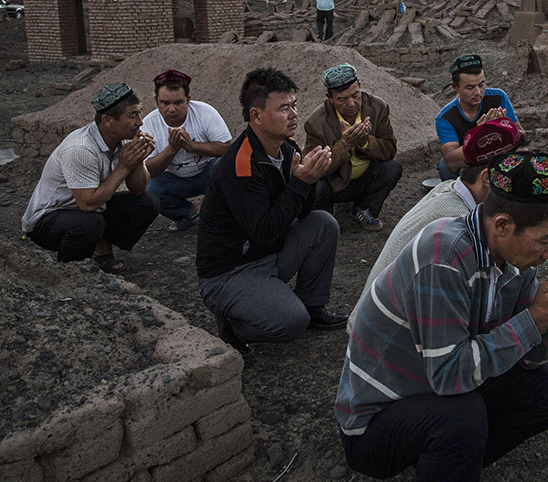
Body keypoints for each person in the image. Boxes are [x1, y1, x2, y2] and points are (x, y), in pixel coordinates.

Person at [336, 151, 548, 481]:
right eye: (546, 240)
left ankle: (446, 460)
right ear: (503, 225)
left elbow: (527, 359)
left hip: (435, 388)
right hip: (375, 423)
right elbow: (449, 374)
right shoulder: (443, 258)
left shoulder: (515, 260)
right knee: (463, 418)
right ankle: (445, 452)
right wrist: (536, 319)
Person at [196, 68, 348, 354]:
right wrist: (301, 183)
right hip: (231, 271)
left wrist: (309, 181)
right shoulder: (240, 165)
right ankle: (233, 324)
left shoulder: (287, 146)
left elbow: (302, 214)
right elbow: (263, 230)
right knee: (291, 323)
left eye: (293, 105)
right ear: (256, 116)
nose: (293, 114)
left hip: (265, 253)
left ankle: (312, 305)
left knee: (323, 223)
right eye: (283, 108)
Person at [346, 118, 522, 333]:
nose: (523, 182)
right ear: (487, 178)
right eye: (517, 173)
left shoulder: (452, 190)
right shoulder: (457, 222)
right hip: (383, 339)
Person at [21, 83, 159, 273]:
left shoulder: (126, 137)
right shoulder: (80, 149)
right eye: (132, 115)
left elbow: (138, 189)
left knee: (147, 203)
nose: (140, 122)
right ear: (108, 120)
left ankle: (102, 251)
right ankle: (72, 270)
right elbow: (87, 204)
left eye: (139, 113)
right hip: (47, 219)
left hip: (90, 209)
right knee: (91, 222)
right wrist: (123, 167)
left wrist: (137, 160)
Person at [302, 63, 401, 232]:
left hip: (365, 178)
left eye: (356, 95)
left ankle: (365, 209)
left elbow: (390, 149)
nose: (351, 103)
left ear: (360, 87)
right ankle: (325, 221)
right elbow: (313, 167)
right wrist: (345, 145)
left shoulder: (378, 108)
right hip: (334, 183)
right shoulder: (316, 122)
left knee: (393, 168)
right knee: (316, 187)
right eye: (342, 99)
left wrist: (366, 142)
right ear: (330, 98)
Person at [143, 69, 232, 233]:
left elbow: (228, 149)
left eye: (178, 103)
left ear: (188, 100)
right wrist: (171, 150)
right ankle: (186, 213)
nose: (171, 109)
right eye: (165, 103)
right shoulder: (148, 125)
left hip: (207, 173)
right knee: (149, 190)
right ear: (156, 102)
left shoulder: (205, 112)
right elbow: (148, 170)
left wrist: (193, 146)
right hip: (174, 181)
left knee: (227, 168)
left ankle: (222, 216)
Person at [435, 54, 522, 181]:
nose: (478, 92)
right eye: (470, 87)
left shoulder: (498, 98)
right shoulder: (446, 118)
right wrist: (480, 134)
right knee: (444, 167)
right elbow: (451, 162)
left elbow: (522, 136)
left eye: (481, 85)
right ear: (455, 87)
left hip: (499, 156)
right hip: (469, 163)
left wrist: (506, 129)